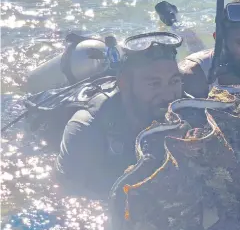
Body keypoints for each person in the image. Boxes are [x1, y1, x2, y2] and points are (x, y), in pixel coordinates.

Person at [55, 32, 184, 200]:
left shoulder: (185, 109)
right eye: (154, 84)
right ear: (124, 83)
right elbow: (70, 196)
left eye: (174, 82)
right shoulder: (87, 127)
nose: (168, 95)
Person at [178, 0, 240, 98]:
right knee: (191, 42)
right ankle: (175, 21)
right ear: (219, 39)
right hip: (207, 64)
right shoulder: (193, 76)